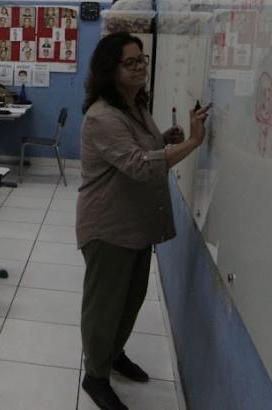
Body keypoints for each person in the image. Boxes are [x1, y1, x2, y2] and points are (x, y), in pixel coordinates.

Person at [77, 32, 209, 410]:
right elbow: (136, 165)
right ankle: (95, 375)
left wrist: (164, 140)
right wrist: (191, 144)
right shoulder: (102, 115)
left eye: (142, 60)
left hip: (135, 225)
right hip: (109, 227)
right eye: (129, 63)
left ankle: (113, 354)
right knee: (104, 308)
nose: (140, 68)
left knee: (130, 301)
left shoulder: (133, 106)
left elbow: (138, 149)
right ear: (110, 69)